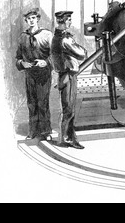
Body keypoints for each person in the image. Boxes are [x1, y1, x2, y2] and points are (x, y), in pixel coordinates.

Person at [51, 11, 87, 149]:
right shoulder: (65, 39)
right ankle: (66, 139)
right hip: (68, 76)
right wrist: (81, 49)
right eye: (69, 20)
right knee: (69, 109)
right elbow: (81, 53)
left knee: (68, 108)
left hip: (63, 75)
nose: (70, 22)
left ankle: (69, 137)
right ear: (63, 21)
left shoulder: (55, 37)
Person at [15, 8, 53, 140]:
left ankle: (45, 132)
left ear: (37, 19)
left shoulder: (47, 35)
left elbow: (55, 55)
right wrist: (22, 63)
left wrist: (46, 62)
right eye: (28, 19)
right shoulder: (23, 37)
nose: (31, 20)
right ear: (26, 20)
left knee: (43, 102)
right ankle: (33, 131)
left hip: (43, 74)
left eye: (33, 18)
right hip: (29, 74)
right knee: (32, 103)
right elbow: (18, 57)